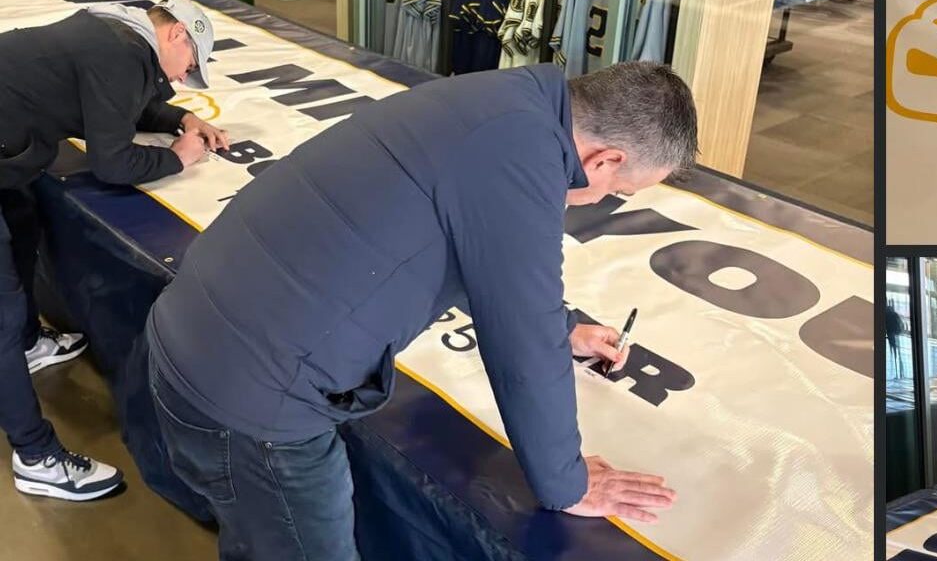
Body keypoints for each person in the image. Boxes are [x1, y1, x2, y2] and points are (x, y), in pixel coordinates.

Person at [146, 61, 698, 560]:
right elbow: (523, 347)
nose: (603, 199)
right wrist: (568, 484)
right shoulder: (523, 160)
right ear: (606, 159)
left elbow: (484, 255)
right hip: (251, 400)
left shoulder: (507, 97)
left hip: (194, 331)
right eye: (617, 190)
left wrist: (568, 327)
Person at [0, 0, 226, 501]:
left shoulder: (114, 32)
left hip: (7, 153)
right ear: (174, 35)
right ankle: (36, 457)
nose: (184, 76)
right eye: (190, 64)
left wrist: (180, 120)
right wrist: (179, 160)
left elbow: (122, 100)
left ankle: (28, 342)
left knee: (22, 218)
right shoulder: (120, 52)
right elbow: (113, 163)